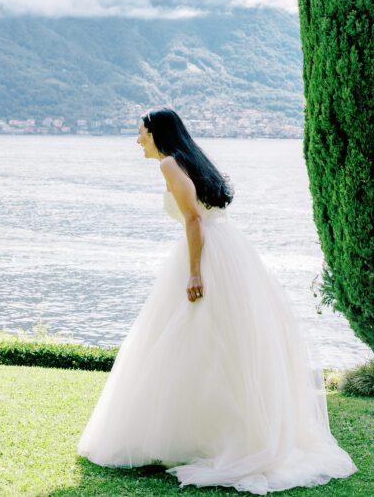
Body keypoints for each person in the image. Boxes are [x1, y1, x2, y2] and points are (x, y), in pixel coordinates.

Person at [78, 108, 357, 493]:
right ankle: (214, 433)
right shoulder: (190, 160)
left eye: (141, 132)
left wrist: (194, 272)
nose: (137, 139)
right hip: (229, 252)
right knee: (219, 345)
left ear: (157, 133)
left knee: (194, 340)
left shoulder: (171, 164)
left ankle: (205, 436)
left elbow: (193, 219)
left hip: (206, 256)